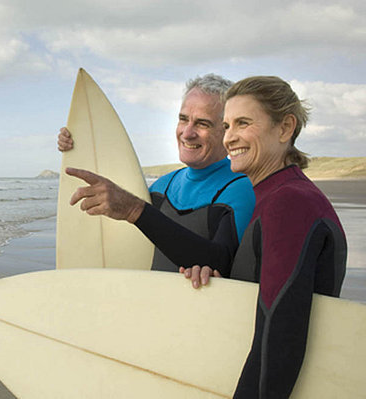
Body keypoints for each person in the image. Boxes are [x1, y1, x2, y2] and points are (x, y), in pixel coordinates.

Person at [186, 76, 347, 398]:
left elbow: (280, 333)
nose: (229, 137)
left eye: (243, 123)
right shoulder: (278, 195)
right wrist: (221, 283)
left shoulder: (289, 202)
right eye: (226, 125)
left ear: (285, 128)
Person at [59, 74, 255, 279]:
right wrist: (77, 147)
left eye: (202, 124)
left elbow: (223, 262)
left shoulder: (242, 189)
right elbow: (118, 236)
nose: (187, 133)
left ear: (227, 131)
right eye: (183, 119)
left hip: (201, 310)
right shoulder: (163, 186)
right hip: (150, 307)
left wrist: (135, 209)